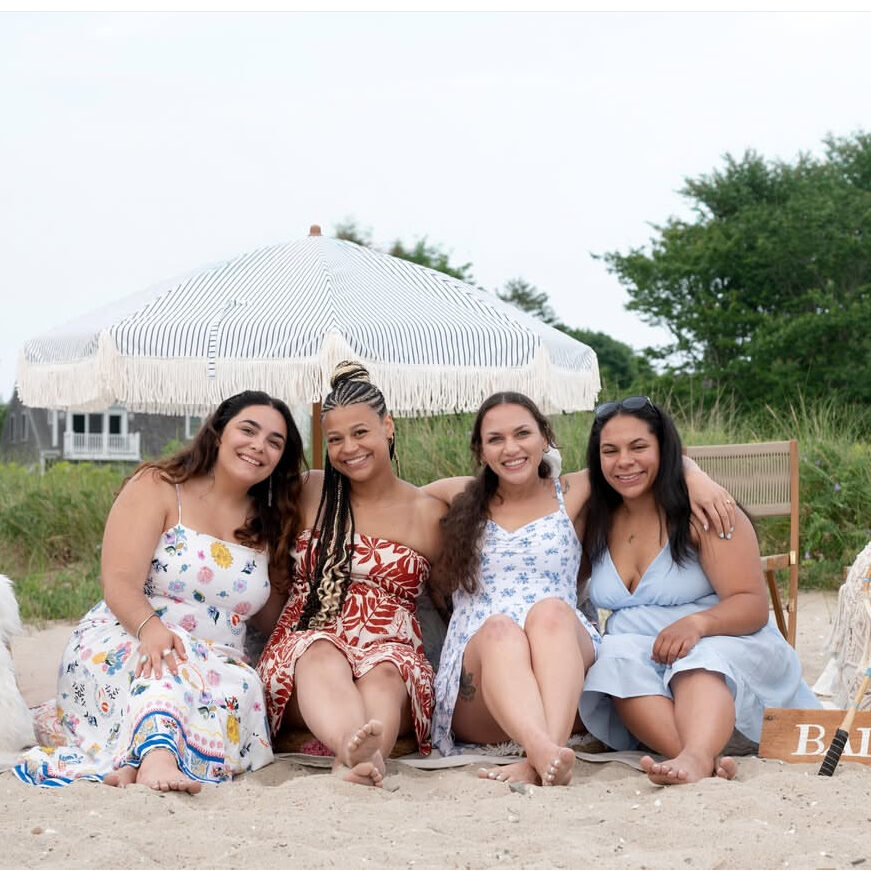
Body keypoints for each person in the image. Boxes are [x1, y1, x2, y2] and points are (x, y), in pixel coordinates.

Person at [426, 391, 735, 787]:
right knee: (501, 628)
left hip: (564, 678)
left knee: (553, 610)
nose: (512, 448)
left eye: (523, 433)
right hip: (484, 686)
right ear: (480, 451)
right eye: (496, 439)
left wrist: (697, 478)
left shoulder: (571, 492)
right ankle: (543, 753)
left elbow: (652, 459)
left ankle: (544, 750)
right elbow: (389, 498)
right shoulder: (458, 495)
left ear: (545, 438)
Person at [14, 391, 305, 792]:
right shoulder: (160, 487)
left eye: (275, 442)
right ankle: (157, 761)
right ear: (218, 431)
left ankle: (130, 763)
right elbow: (118, 580)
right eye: (248, 430)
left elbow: (272, 616)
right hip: (131, 632)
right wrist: (151, 628)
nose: (260, 446)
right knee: (165, 665)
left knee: (238, 686)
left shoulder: (270, 523)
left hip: (218, 661)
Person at [578, 396, 820, 785]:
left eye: (639, 447)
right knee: (614, 656)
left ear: (664, 448)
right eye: (611, 451)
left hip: (724, 641)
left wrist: (697, 624)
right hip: (644, 658)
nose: (624, 461)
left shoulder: (704, 511)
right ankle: (697, 758)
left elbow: (753, 605)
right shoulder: (596, 518)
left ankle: (695, 754)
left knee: (696, 659)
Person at [256, 362, 446, 787]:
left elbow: (452, 603)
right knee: (321, 651)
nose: (348, 448)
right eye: (336, 439)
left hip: (391, 653)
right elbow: (271, 572)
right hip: (306, 650)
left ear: (388, 427)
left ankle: (364, 755)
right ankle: (351, 745)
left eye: (361, 433)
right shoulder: (310, 490)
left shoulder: (428, 512)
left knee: (386, 669)